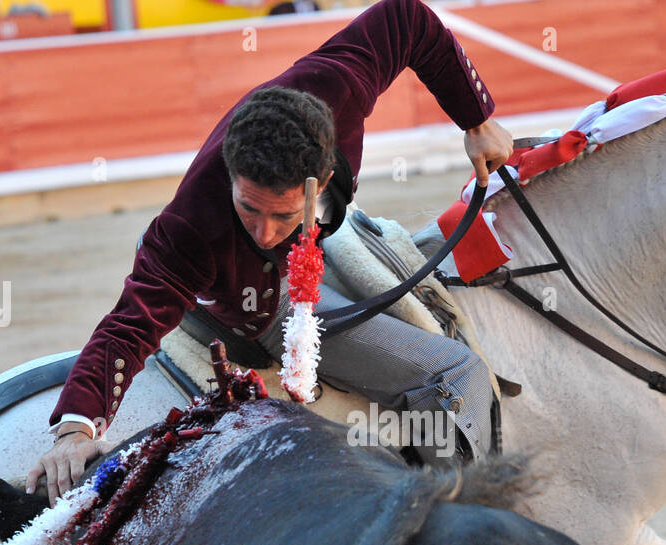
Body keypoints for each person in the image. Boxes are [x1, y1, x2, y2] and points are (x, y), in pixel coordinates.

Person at [27, 0, 512, 504]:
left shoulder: (335, 85)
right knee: (456, 372)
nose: (263, 233)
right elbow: (130, 323)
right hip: (252, 301)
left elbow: (407, 18)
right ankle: (462, 538)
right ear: (232, 174)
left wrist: (476, 121)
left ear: (321, 180)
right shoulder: (191, 227)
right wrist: (75, 429)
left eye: (282, 215)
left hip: (326, 243)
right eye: (248, 208)